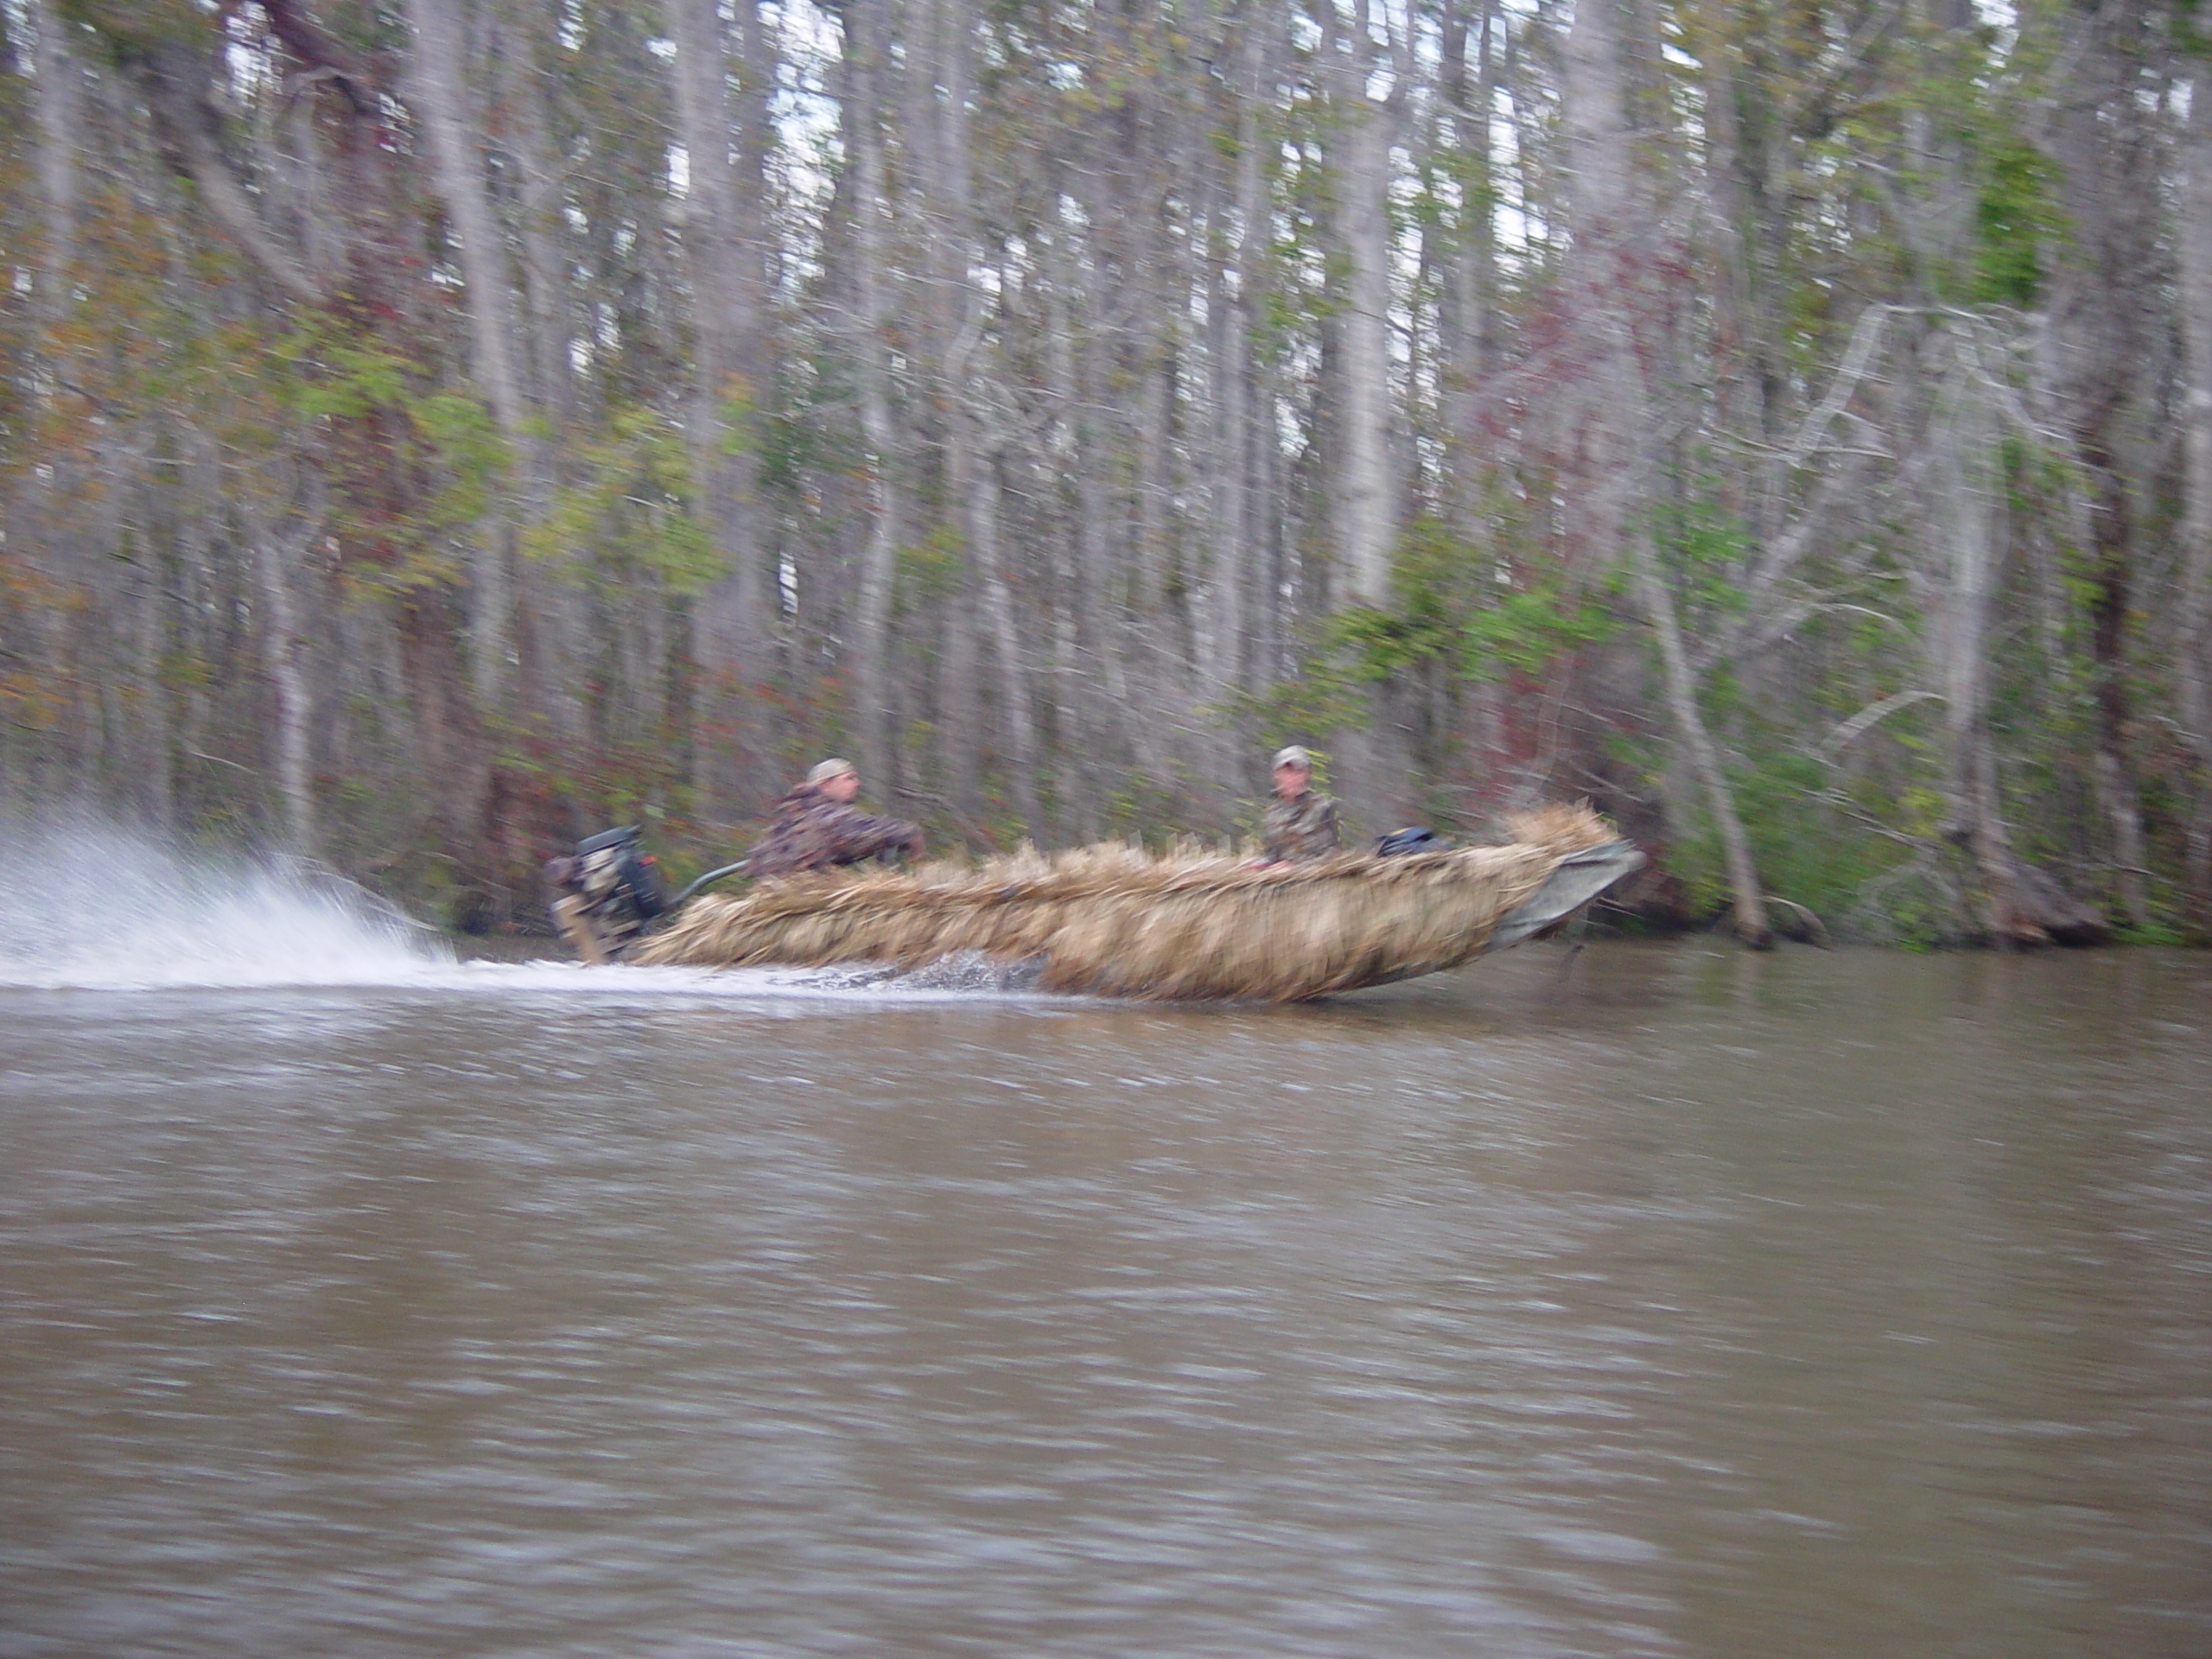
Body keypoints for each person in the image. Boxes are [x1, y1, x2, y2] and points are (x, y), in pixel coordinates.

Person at [745, 758, 925, 878]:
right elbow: (863, 830)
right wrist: (909, 833)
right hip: (810, 908)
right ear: (826, 784)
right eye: (849, 778)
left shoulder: (789, 819)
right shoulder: (823, 814)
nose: (857, 784)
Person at [1259, 745, 1340, 863]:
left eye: (1298, 772)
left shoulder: (1321, 808)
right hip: (1278, 879)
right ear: (1276, 775)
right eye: (1286, 772)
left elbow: (1332, 856)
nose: (1292, 778)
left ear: (1307, 774)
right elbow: (1271, 855)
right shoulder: (1273, 813)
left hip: (1313, 879)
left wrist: (1295, 868)